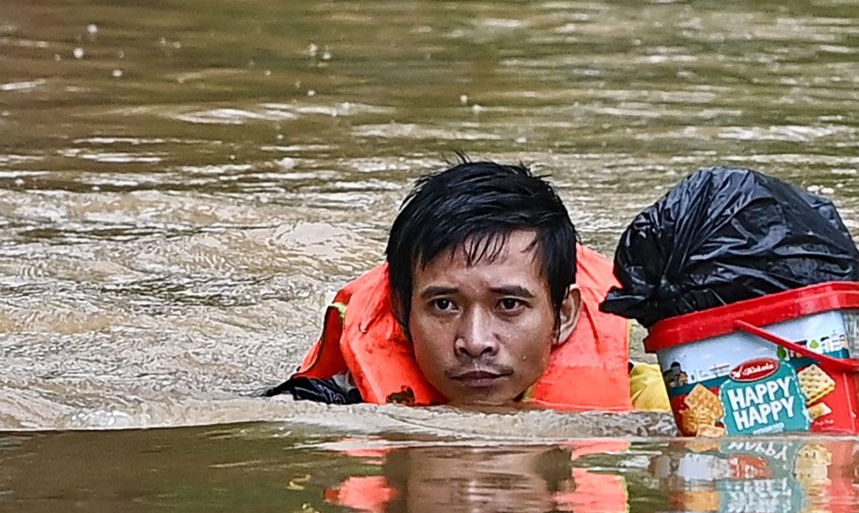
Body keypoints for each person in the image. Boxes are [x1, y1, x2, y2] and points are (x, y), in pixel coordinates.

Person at [269, 159, 667, 410]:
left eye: (509, 304)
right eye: (444, 305)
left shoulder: (653, 405)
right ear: (404, 312)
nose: (475, 342)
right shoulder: (331, 404)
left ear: (563, 315)